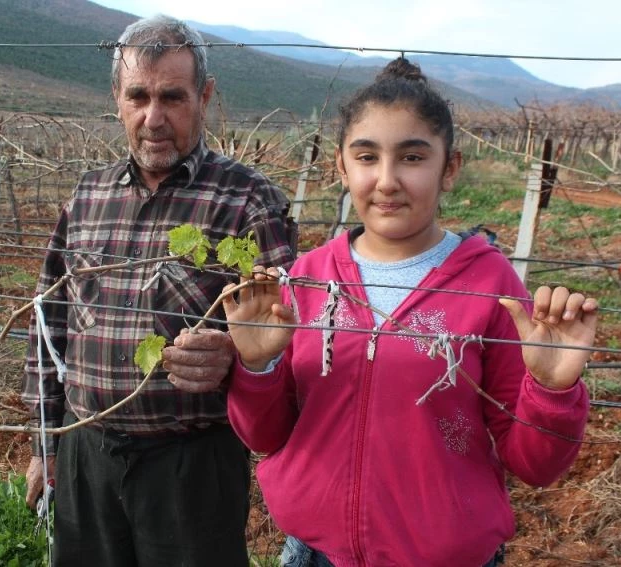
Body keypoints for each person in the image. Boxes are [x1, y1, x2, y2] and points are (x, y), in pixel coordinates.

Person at [221, 57, 598, 567]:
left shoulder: (490, 286)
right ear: (342, 167)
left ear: (450, 169)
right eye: (367, 157)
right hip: (313, 554)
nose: (387, 180)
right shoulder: (306, 278)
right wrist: (257, 368)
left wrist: (552, 390)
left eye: (413, 158)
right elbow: (265, 436)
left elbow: (533, 464)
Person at [21, 14, 296, 567]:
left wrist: (235, 358)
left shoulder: (248, 201)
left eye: (172, 97)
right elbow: (48, 323)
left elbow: (289, 340)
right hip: (84, 453)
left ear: (205, 96)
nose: (153, 118)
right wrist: (46, 444)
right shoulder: (87, 197)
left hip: (192, 467)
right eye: (138, 96)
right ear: (116, 97)